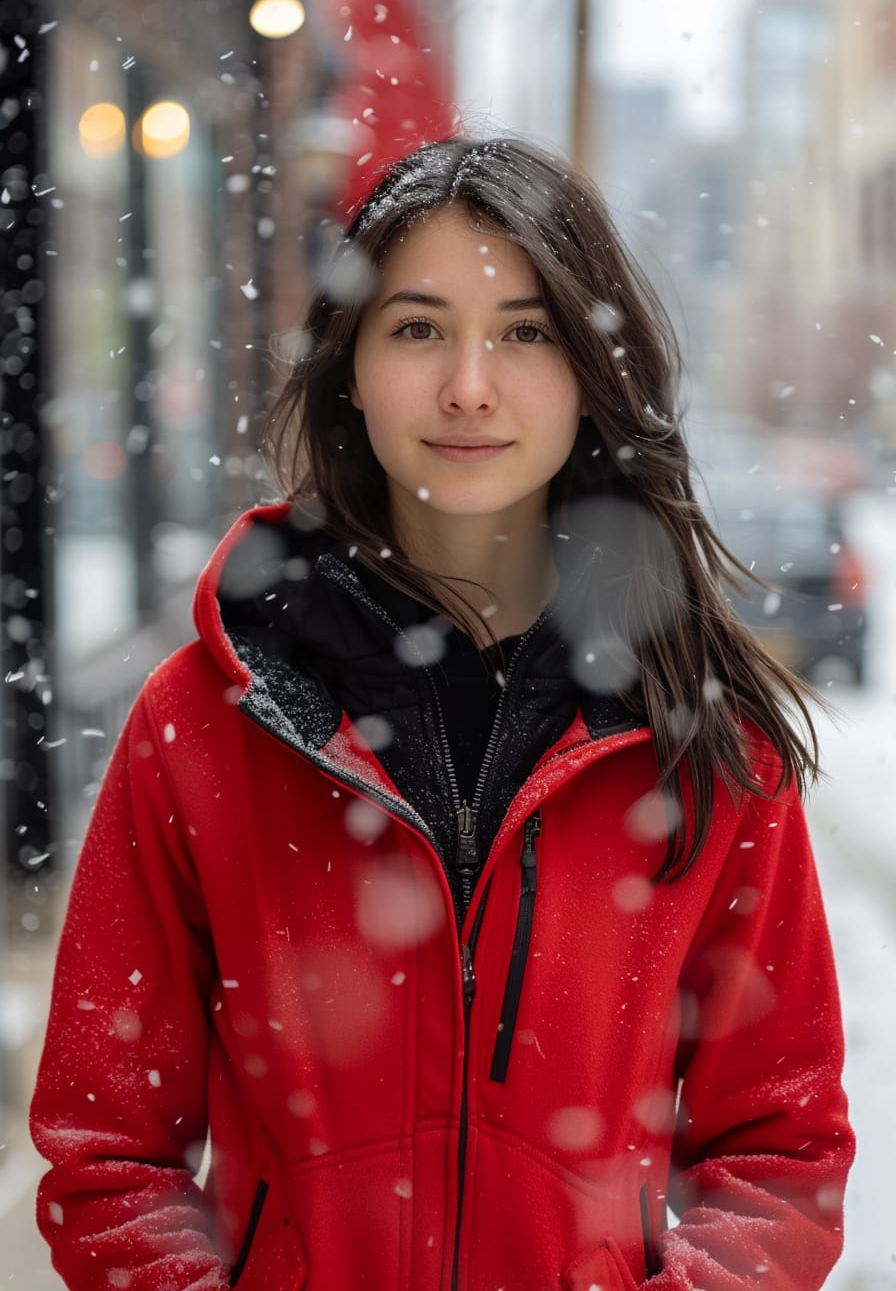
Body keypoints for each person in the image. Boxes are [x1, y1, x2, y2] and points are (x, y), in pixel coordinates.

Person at [31, 135, 854, 1291]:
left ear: (589, 371)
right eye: (417, 327)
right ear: (350, 367)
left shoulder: (699, 736)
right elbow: (108, 1154)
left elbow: (777, 1151)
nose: (469, 384)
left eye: (524, 331)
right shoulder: (203, 725)